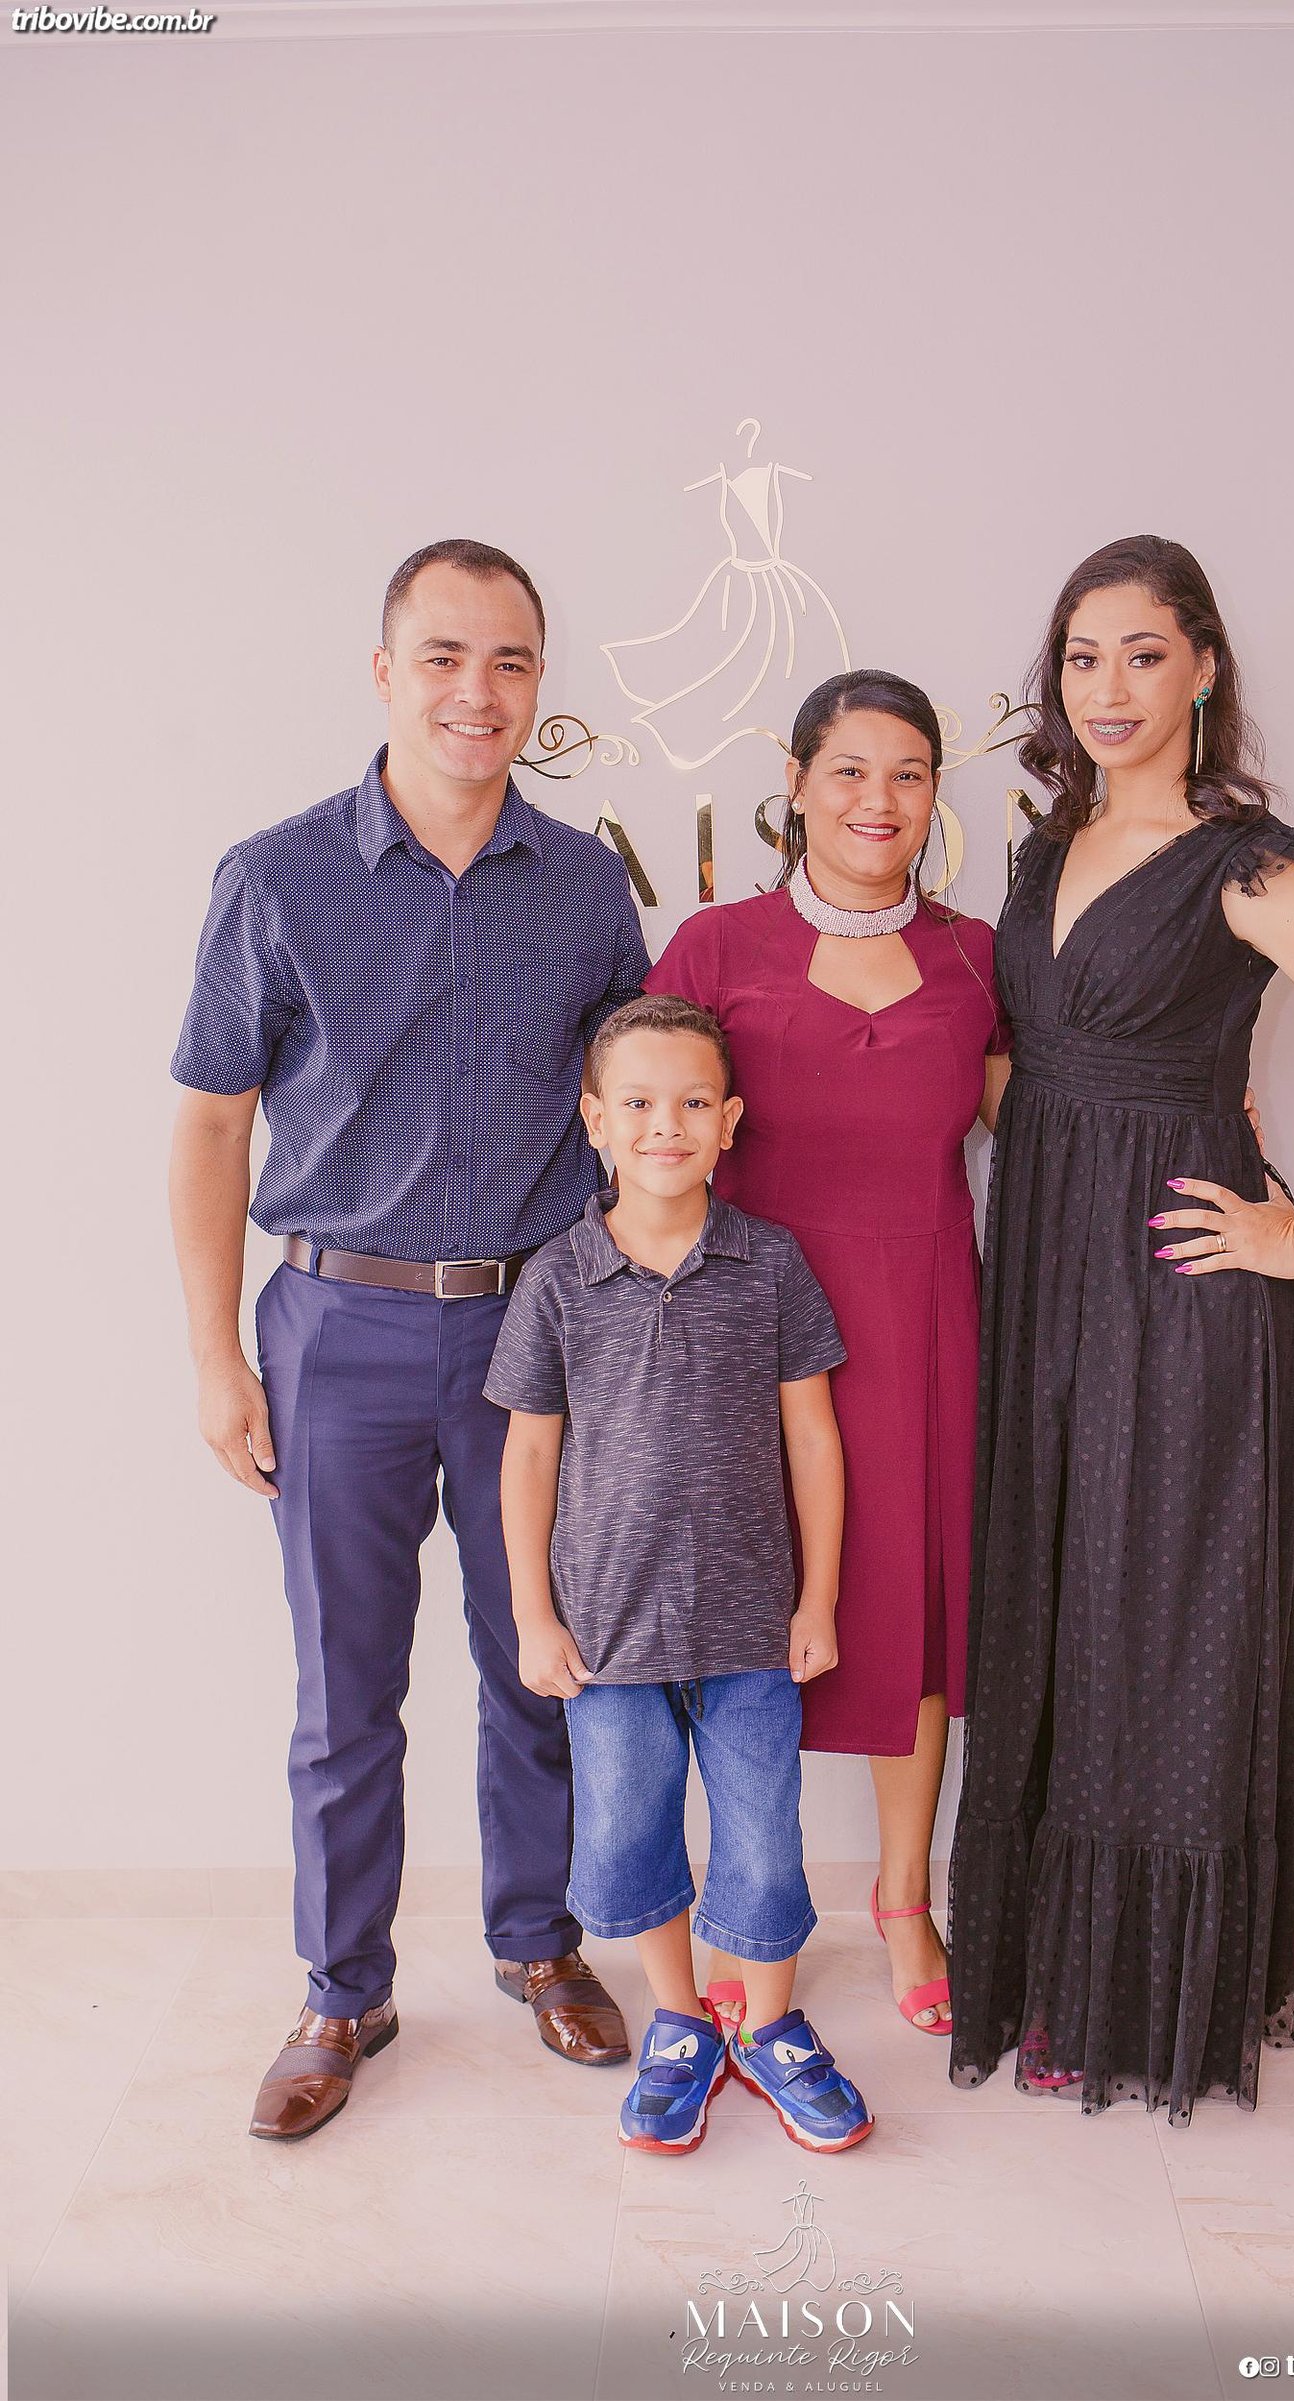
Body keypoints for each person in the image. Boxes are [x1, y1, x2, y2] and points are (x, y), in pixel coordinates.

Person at [947, 534, 1294, 2121]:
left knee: (1161, 1631)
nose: (1107, 687)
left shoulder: (1244, 866)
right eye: (1082, 656)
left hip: (1180, 1299)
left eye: (1142, 653)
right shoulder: (1042, 854)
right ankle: (1055, 1972)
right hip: (1045, 1286)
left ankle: (1154, 2006)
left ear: (1201, 670)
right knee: (1052, 1608)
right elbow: (1029, 1069)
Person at [169, 538, 647, 2142]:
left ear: (538, 684)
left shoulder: (583, 885)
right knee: (343, 1688)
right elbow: (211, 1125)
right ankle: (342, 1987)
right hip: (337, 1329)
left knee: (541, 1663)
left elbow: (635, 1102)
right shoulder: (274, 877)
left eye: (510, 661)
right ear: (385, 673)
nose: (477, 691)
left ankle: (539, 1941)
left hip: (535, 1330)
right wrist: (216, 1357)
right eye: (444, 656)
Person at [645, 669, 1009, 2038]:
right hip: (744, 1329)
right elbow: (641, 1121)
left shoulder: (979, 957)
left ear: (935, 796)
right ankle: (750, 1906)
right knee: (743, 1618)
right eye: (849, 769)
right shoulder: (714, 945)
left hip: (921, 1325)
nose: (878, 798)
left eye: (908, 772)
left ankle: (906, 1896)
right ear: (796, 784)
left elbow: (1055, 1120)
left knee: (914, 1605)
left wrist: (1209, 1099)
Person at [487, 996, 874, 2155]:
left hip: (751, 1625)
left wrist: (817, 1598)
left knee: (761, 1838)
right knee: (628, 1833)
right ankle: (679, 2023)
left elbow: (813, 1437)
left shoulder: (770, 1264)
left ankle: (770, 2025)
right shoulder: (558, 1279)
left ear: (729, 1121)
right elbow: (529, 1454)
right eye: (641, 1103)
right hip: (606, 1634)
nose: (668, 1124)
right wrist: (533, 1615)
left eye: (693, 1102)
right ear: (595, 1120)